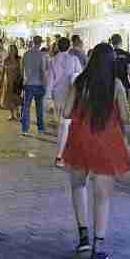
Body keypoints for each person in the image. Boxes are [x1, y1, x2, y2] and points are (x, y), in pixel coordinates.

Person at [61, 43, 130, 259]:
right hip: (106, 141)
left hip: (81, 138)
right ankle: (97, 246)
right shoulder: (116, 84)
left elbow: (65, 112)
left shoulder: (80, 82)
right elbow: (126, 117)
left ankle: (83, 235)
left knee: (78, 185)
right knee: (102, 196)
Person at [49, 37, 83, 168]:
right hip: (70, 95)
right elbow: (80, 76)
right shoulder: (73, 60)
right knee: (65, 126)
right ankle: (60, 156)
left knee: (62, 126)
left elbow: (50, 81)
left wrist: (48, 99)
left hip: (57, 95)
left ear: (58, 46)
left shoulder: (53, 61)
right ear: (69, 47)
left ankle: (61, 154)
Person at [21, 36, 48, 135]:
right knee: (39, 107)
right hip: (39, 84)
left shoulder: (26, 54)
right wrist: (45, 84)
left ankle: (25, 129)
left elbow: (22, 70)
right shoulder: (42, 55)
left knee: (26, 107)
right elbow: (43, 71)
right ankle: (40, 128)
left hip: (28, 84)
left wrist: (23, 81)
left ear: (32, 42)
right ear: (40, 43)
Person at [1, 43, 22, 121]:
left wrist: (21, 81)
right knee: (9, 98)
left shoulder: (19, 59)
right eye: (10, 50)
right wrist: (1, 81)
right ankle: (11, 114)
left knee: (16, 97)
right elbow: (3, 72)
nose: (11, 51)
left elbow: (21, 71)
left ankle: (17, 111)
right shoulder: (6, 60)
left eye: (13, 49)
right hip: (8, 82)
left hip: (16, 82)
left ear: (16, 50)